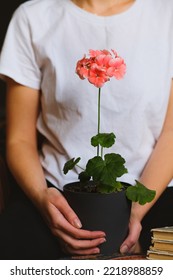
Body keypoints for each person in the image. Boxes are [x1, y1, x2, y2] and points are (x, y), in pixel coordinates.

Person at [0, 0, 173, 259]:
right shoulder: (33, 17)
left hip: (153, 191)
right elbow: (19, 139)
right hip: (57, 192)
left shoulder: (167, 14)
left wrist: (131, 213)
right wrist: (42, 198)